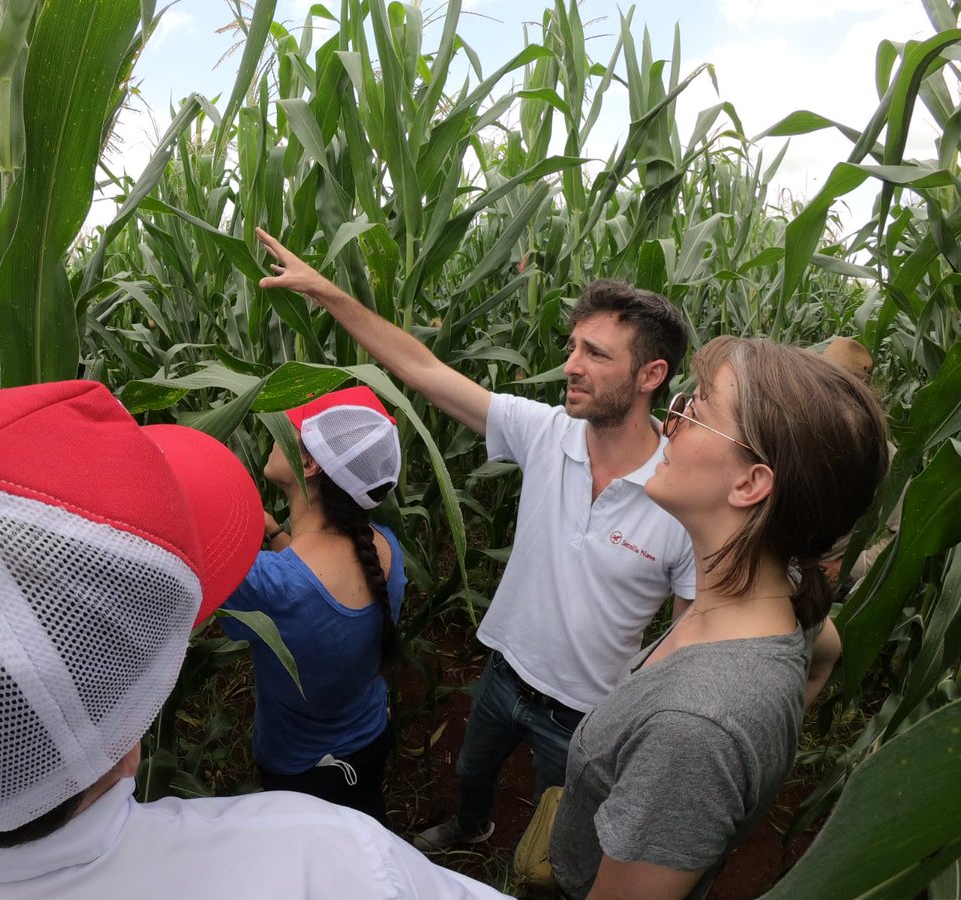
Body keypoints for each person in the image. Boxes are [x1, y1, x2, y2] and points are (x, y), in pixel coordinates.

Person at [0, 380, 510, 899]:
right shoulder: (334, 858)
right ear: (127, 725)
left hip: (298, 756)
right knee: (362, 802)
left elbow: (267, 585)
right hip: (364, 737)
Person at [252, 228, 696, 850]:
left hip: (587, 712)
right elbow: (424, 371)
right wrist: (328, 293)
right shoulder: (546, 434)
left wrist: (630, 723)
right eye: (572, 347)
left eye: (596, 354)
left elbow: (689, 633)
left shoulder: (682, 493)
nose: (571, 365)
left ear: (652, 373)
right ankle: (471, 825)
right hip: (504, 672)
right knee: (472, 771)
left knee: (556, 836)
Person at [548, 337, 888, 899]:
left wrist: (724, 746)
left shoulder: (696, 729)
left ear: (750, 483)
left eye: (695, 411)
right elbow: (826, 652)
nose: (668, 424)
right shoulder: (783, 604)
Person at [220, 386, 405, 825]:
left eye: (285, 428)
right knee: (366, 827)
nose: (272, 432)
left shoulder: (269, 584)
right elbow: (316, 590)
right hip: (371, 733)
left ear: (307, 464)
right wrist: (274, 533)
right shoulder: (385, 547)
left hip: (301, 768)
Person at [817, 336, 900, 590]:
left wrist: (847, 567)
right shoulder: (794, 433)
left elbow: (903, 534)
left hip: (827, 587)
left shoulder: (884, 457)